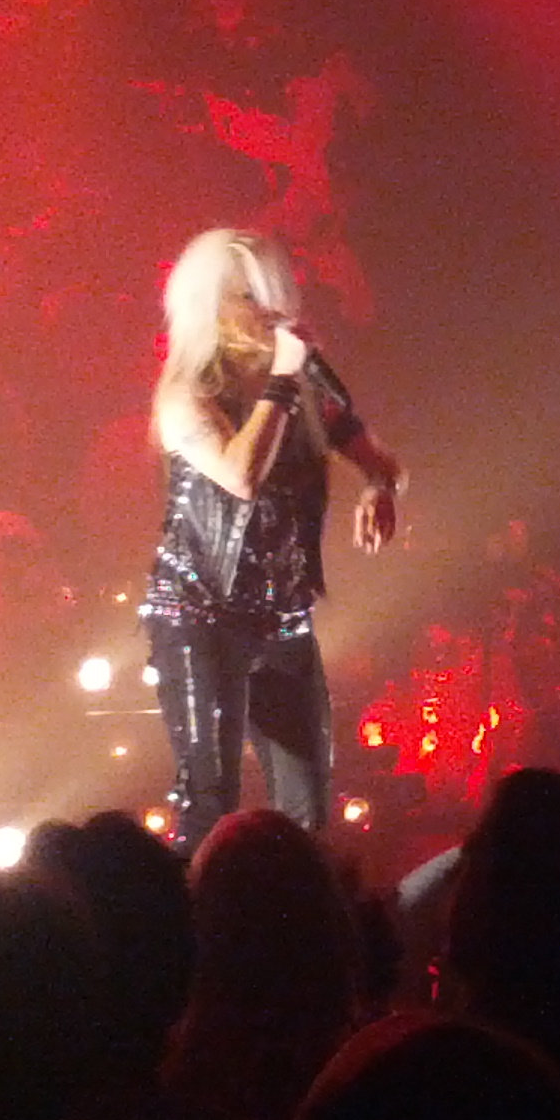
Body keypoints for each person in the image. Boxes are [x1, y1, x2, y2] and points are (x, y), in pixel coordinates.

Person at [140, 228, 403, 851]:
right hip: (200, 617)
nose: (269, 309)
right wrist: (283, 380)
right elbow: (240, 475)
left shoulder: (306, 385)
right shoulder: (187, 393)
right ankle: (195, 906)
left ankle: (293, 906)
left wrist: (378, 487)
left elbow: (379, 459)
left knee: (306, 807)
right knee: (210, 801)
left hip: (283, 615)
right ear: (211, 305)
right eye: (249, 296)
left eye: (274, 292)